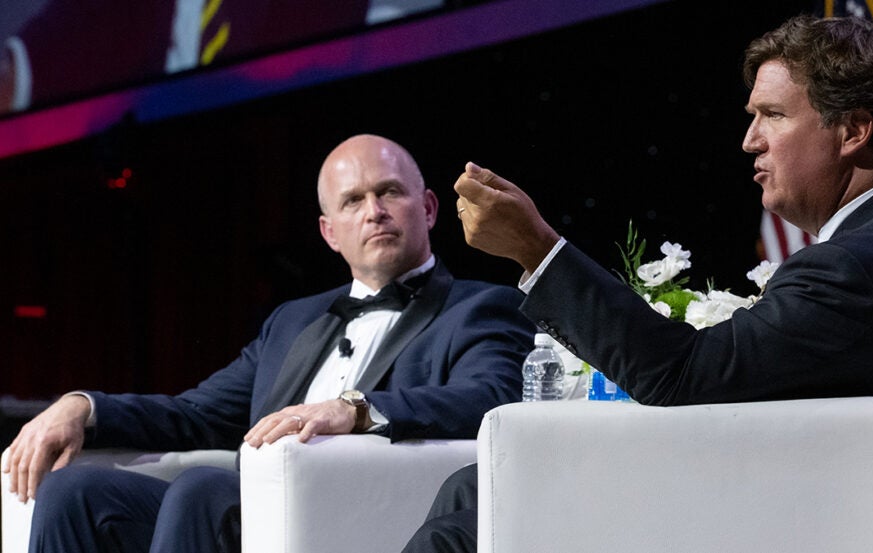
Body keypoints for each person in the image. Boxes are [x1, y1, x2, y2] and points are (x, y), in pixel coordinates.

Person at [402, 15, 873, 552]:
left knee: (466, 525)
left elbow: (681, 374)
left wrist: (536, 248)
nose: (750, 140)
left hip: (781, 512)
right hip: (797, 483)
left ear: (854, 130)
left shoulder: (860, 267)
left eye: (775, 115)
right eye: (752, 117)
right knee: (472, 488)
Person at [2, 134, 535, 552]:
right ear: (330, 232)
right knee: (74, 492)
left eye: (389, 192)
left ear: (430, 208)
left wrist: (356, 410)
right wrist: (82, 407)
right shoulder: (292, 322)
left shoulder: (478, 307)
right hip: (243, 512)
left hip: (360, 511)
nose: (374, 210)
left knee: (203, 490)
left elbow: (490, 395)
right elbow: (196, 413)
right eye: (353, 201)